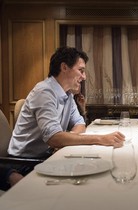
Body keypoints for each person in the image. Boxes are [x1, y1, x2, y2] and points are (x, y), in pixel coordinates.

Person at [8, 46, 125, 176]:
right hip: (23, 163)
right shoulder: (44, 92)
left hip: (47, 156)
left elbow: (80, 124)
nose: (84, 77)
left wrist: (66, 140)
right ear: (64, 67)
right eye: (81, 70)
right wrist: (100, 139)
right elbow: (53, 138)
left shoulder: (67, 94)